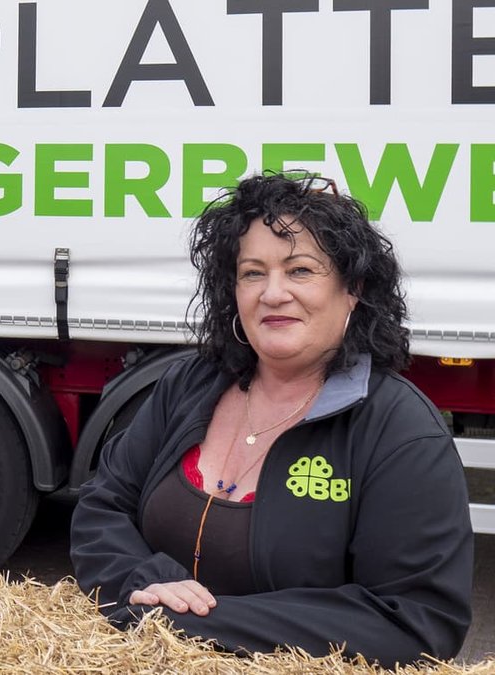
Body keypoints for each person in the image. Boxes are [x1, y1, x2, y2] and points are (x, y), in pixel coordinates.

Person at [69, 172, 473, 667]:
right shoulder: (188, 384)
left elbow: (415, 622)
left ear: (352, 288)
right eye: (253, 273)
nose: (273, 293)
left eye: (300, 270)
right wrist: (143, 582)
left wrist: (194, 622)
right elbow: (103, 506)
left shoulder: (400, 431)